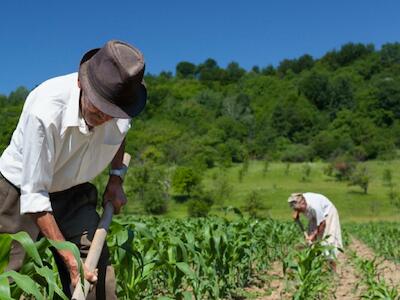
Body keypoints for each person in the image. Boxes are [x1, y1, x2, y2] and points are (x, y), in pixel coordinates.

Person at [0, 40, 147, 299]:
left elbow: (121, 134)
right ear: (81, 83)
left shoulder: (122, 104)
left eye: (112, 112)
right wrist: (67, 259)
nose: (105, 117)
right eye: (99, 107)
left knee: (96, 271)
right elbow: (35, 197)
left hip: (74, 189)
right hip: (20, 190)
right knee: (9, 276)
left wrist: (116, 179)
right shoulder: (45, 111)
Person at [288, 192, 343, 271]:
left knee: (327, 242)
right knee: (311, 243)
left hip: (327, 214)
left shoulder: (315, 206)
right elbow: (296, 204)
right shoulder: (299, 200)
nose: (301, 211)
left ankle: (331, 271)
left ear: (304, 204)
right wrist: (296, 212)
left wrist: (313, 236)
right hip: (314, 216)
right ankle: (312, 267)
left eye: (301, 210)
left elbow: (322, 223)